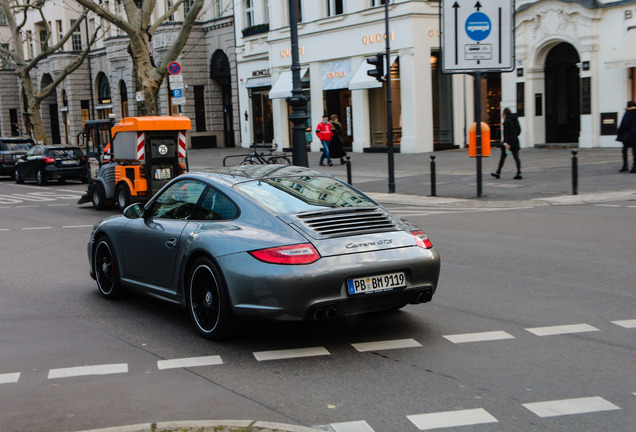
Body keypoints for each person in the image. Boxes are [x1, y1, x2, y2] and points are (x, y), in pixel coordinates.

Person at [491, 107, 522, 180]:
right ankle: (519, 172)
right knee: (516, 157)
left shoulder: (507, 121)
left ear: (504, 114)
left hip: (507, 144)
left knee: (503, 157)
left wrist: (505, 143)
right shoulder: (515, 119)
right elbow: (519, 130)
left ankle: (498, 172)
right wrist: (515, 135)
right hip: (515, 141)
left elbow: (506, 134)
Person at [616, 100, 636, 173]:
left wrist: (620, 133)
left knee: (625, 150)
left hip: (629, 135)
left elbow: (624, 124)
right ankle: (634, 167)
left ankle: (625, 165)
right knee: (635, 151)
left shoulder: (628, 113)